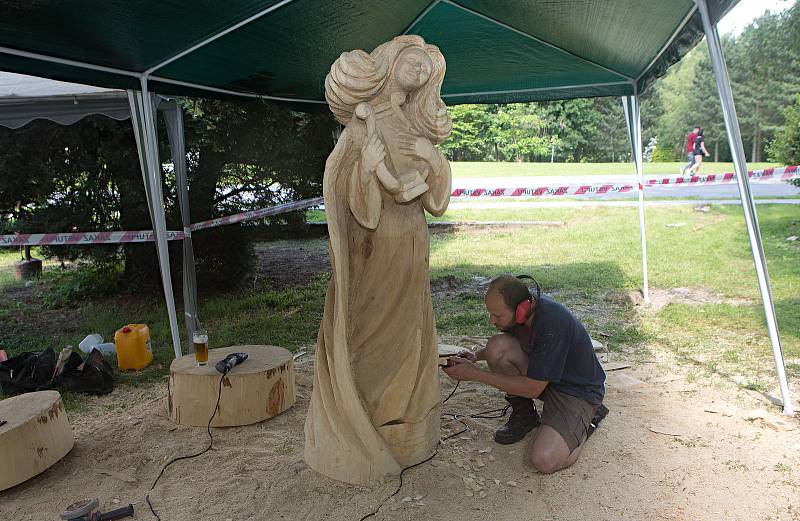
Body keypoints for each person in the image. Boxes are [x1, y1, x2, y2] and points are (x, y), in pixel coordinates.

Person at [304, 35, 453, 483]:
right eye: (414, 60)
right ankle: (367, 417)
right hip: (374, 251)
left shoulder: (416, 127)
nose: (421, 70)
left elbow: (436, 200)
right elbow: (354, 203)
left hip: (411, 242)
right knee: (369, 328)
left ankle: (404, 421)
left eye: (427, 69)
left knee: (409, 330)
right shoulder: (363, 124)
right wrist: (368, 170)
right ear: (390, 63)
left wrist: (432, 158)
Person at [442, 275, 608, 474]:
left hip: (576, 391)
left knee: (544, 460)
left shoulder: (552, 323)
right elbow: (508, 349)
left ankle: (588, 419)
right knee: (497, 347)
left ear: (521, 310)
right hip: (548, 377)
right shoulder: (524, 312)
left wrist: (475, 374)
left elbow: (532, 388)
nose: (492, 320)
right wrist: (475, 357)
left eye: (497, 315)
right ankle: (526, 416)